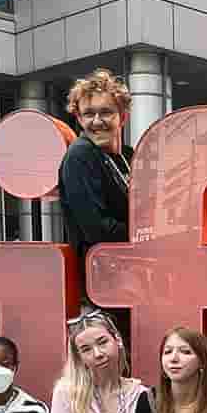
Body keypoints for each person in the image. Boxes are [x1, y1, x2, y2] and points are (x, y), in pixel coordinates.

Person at [57, 70, 132, 293]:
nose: (97, 122)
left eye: (106, 112)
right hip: (102, 285)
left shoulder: (127, 156)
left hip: (127, 275)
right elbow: (98, 230)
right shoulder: (80, 156)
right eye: (89, 114)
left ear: (123, 117)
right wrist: (150, 235)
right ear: (79, 119)